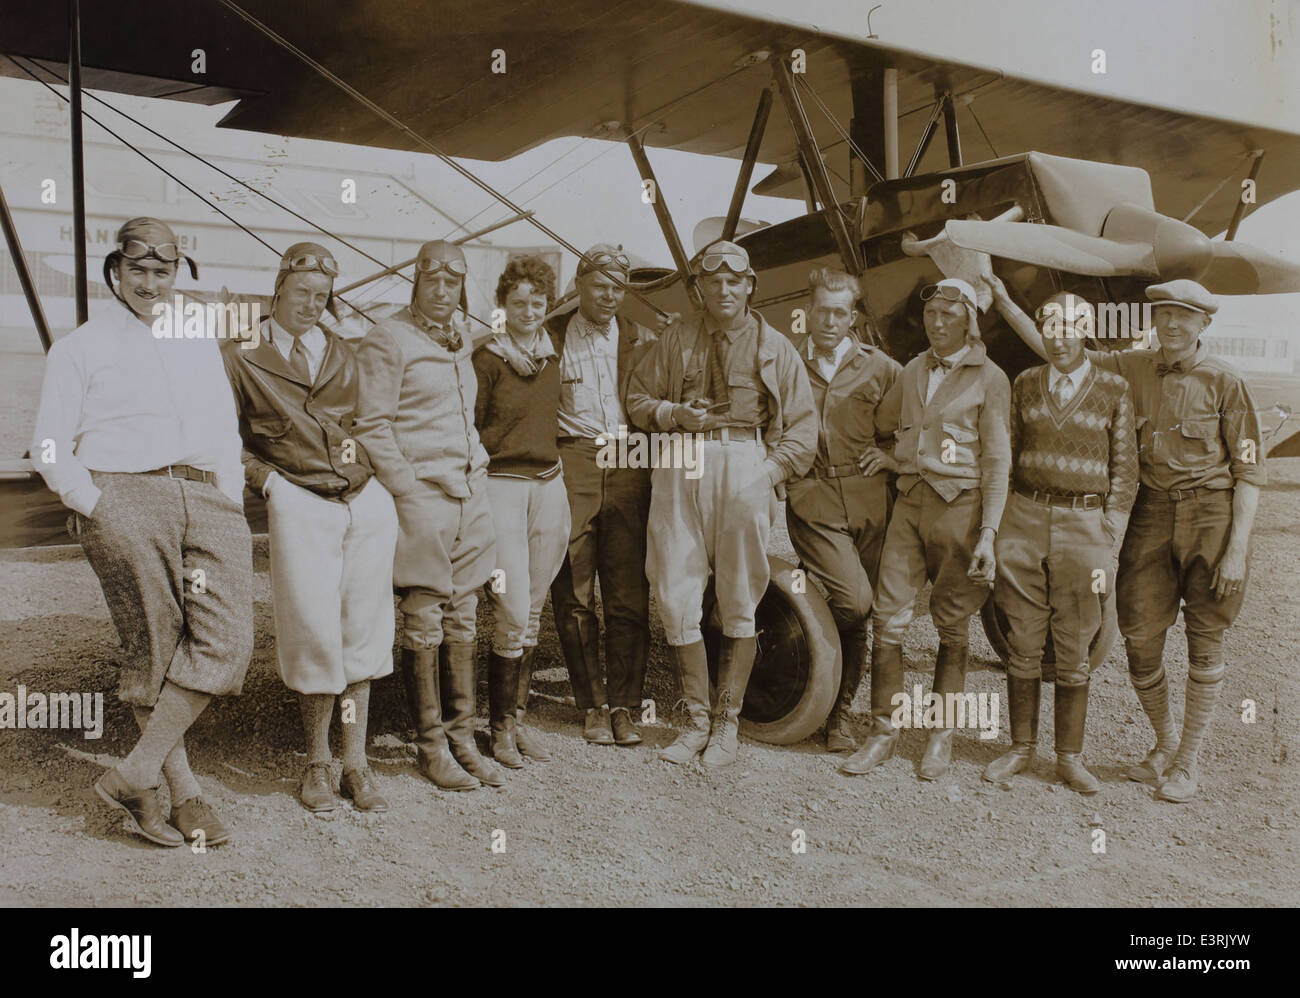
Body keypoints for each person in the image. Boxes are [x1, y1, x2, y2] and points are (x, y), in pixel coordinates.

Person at [990, 277, 1266, 802]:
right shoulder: (1132, 367)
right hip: (1152, 514)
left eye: (1185, 316)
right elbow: (1060, 348)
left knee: (1205, 639)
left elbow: (1250, 473)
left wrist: (1236, 549)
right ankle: (1164, 744)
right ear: (1152, 321)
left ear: (1204, 323)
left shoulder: (1226, 381)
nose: (1173, 324)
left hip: (1211, 513)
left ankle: (1187, 762)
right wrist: (1002, 298)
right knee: (1140, 639)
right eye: (1163, 314)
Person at [31, 217, 253, 846]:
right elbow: (48, 444)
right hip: (124, 493)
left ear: (176, 275)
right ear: (115, 271)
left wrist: (229, 498)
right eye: (138, 270)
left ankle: (133, 772)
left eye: (162, 271)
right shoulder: (80, 346)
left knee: (227, 639)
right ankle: (185, 794)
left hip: (205, 496)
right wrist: (94, 501)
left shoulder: (197, 339)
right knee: (154, 644)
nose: (150, 282)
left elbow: (224, 431)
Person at [222, 242, 398, 813]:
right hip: (299, 500)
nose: (311, 304)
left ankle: (356, 763)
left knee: (363, 635)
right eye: (302, 293)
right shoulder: (240, 355)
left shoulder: (343, 352)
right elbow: (224, 440)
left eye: (322, 297)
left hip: (362, 500)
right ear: (278, 290)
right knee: (312, 634)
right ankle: (317, 763)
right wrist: (269, 484)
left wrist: (380, 482)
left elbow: (372, 423)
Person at [627, 239, 817, 768]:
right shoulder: (676, 338)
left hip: (742, 458)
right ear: (701, 288)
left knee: (739, 594)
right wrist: (670, 414)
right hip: (681, 459)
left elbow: (803, 427)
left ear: (749, 286)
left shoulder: (775, 346)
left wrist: (769, 471)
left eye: (735, 281)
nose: (725, 289)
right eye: (714, 282)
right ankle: (693, 722)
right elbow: (637, 399)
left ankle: (726, 727)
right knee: (675, 588)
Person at [841, 278, 1010, 781]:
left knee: (952, 625)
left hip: (961, 508)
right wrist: (890, 460)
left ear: (969, 322)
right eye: (932, 315)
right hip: (910, 506)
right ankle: (882, 733)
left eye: (948, 317)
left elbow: (998, 461)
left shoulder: (990, 377)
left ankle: (941, 736)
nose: (937, 324)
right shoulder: (914, 368)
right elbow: (896, 428)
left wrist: (988, 534)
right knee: (887, 618)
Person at [353, 240, 501, 791]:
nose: (443, 293)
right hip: (423, 496)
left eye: (453, 283)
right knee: (425, 615)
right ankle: (430, 746)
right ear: (415, 281)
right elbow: (372, 424)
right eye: (432, 282)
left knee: (465, 614)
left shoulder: (462, 339)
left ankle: (463, 738)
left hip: (470, 492)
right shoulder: (388, 338)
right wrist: (407, 490)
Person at [983, 291, 1138, 794]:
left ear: (1085, 331)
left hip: (1084, 524)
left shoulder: (1114, 388)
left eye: (1069, 327)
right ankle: (1021, 749)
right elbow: (1005, 453)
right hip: (1025, 519)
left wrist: (1108, 531)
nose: (1059, 337)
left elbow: (1125, 471)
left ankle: (1069, 758)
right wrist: (1004, 523)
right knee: (1021, 641)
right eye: (1050, 327)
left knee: (1075, 644)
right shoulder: (1025, 383)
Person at [545, 244, 657, 746]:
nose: (609, 295)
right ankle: (590, 703)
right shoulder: (550, 336)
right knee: (573, 588)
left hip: (628, 458)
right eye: (600, 285)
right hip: (575, 458)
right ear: (579, 284)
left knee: (628, 590)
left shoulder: (642, 339)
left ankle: (625, 707)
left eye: (618, 288)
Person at [785, 267, 900, 752]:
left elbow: (907, 428)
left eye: (840, 312)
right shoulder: (787, 365)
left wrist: (894, 458)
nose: (829, 321)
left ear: (851, 317)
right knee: (853, 601)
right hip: (813, 501)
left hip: (873, 500)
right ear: (807, 313)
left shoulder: (881, 367)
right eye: (822, 311)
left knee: (865, 608)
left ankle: (838, 717)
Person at [473, 255, 572, 768]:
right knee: (511, 609)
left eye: (538, 303)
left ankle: (515, 720)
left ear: (548, 304)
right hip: (501, 486)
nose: (529, 311)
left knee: (533, 610)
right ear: (502, 305)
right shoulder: (486, 358)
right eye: (518, 303)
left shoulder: (555, 358)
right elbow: (471, 430)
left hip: (548, 485)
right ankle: (497, 728)